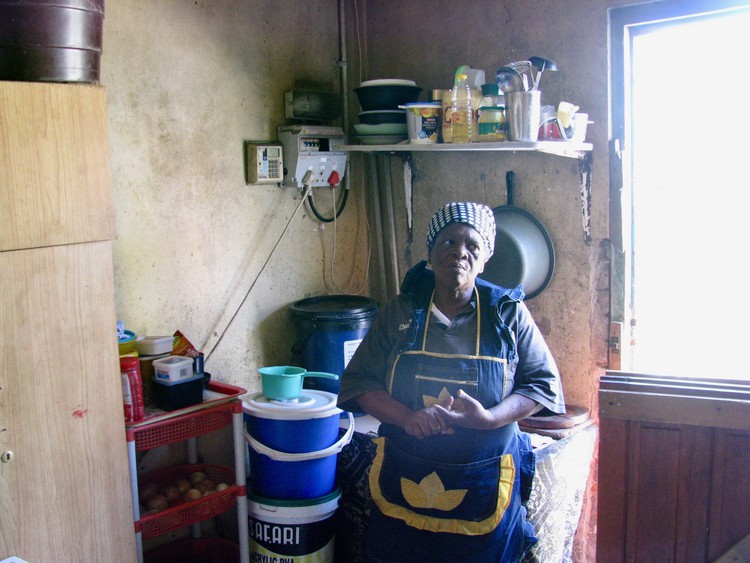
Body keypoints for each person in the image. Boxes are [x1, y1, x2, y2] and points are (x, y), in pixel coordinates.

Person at [337, 201, 565, 563]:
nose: (460, 252)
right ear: (430, 251)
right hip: (406, 472)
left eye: (472, 245)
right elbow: (360, 382)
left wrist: (489, 419)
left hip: (484, 480)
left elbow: (540, 385)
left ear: (485, 258)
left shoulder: (507, 314)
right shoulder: (401, 311)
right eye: (448, 242)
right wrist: (405, 417)